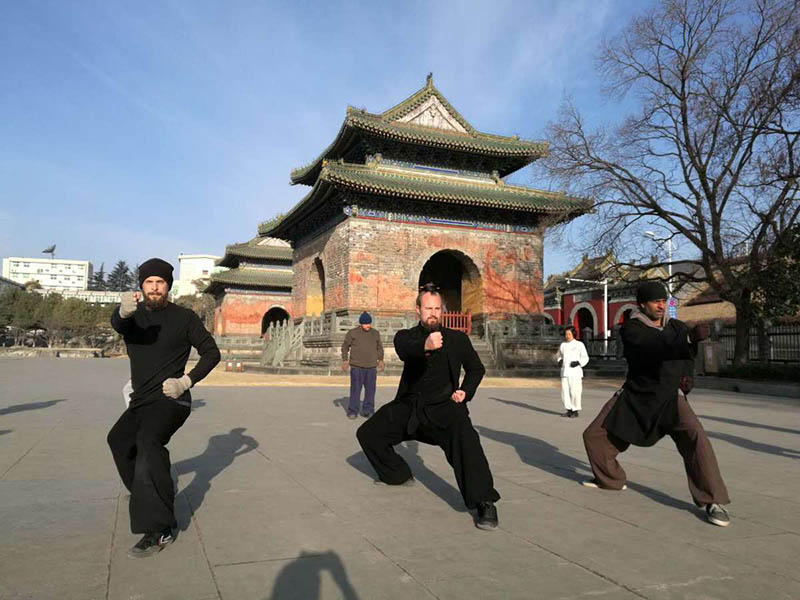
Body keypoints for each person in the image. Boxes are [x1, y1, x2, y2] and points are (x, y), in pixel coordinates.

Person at [581, 281, 731, 527]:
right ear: (642, 304)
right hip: (636, 394)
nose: (661, 306)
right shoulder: (632, 329)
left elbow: (686, 357)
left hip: (671, 396)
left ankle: (713, 500)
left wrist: (687, 375)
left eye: (663, 301)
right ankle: (611, 479)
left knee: (696, 438)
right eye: (655, 302)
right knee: (594, 436)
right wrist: (689, 340)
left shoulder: (676, 327)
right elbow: (654, 346)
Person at [356, 283, 500, 530]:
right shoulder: (407, 336)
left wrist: (465, 391)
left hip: (444, 408)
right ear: (418, 310)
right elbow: (405, 350)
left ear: (442, 310)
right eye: (427, 308)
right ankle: (398, 474)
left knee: (467, 440)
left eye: (437, 308)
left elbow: (476, 369)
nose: (432, 312)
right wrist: (426, 346)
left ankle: (484, 502)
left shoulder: (457, 339)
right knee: (368, 433)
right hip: (409, 407)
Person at [107, 258, 221, 557]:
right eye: (149, 282)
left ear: (168, 286)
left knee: (148, 442)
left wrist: (186, 382)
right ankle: (146, 494)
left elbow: (212, 353)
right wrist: (121, 312)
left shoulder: (185, 318)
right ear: (141, 286)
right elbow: (118, 323)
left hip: (172, 399)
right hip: (141, 400)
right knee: (118, 440)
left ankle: (159, 530)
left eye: (160, 282)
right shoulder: (132, 315)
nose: (155, 287)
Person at [341, 312, 384, 419]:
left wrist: (381, 360)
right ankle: (353, 411)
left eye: (369, 323)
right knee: (355, 389)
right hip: (357, 366)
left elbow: (379, 347)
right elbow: (345, 347)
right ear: (361, 324)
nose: (368, 326)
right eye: (365, 324)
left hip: (371, 367)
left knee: (370, 390)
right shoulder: (353, 333)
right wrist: (345, 360)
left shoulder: (375, 333)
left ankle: (368, 410)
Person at [555, 326, 589, 417]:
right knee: (564, 391)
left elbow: (585, 357)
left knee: (575, 391)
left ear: (573, 334)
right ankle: (568, 409)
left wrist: (578, 362)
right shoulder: (563, 345)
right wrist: (559, 360)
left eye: (569, 334)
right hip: (565, 372)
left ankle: (575, 410)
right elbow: (558, 355)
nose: (567, 336)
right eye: (566, 334)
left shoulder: (579, 344)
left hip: (575, 372)